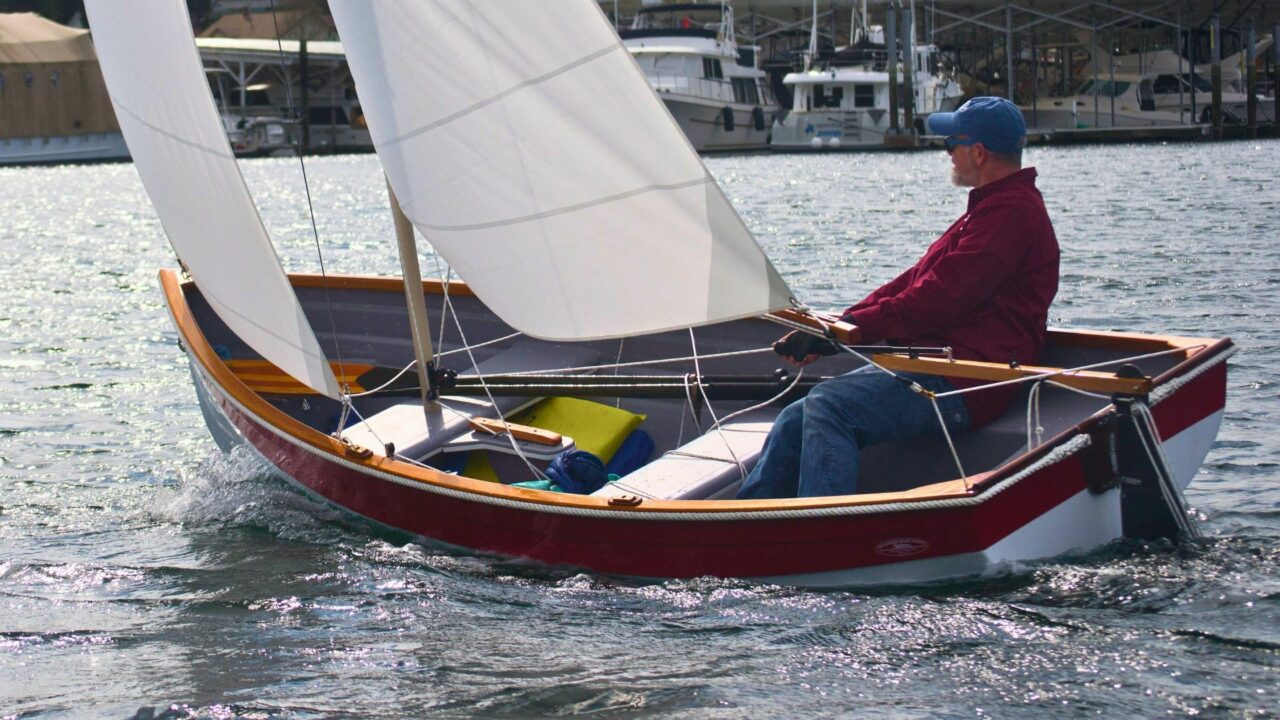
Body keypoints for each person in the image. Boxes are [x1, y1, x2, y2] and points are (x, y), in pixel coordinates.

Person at [738, 96, 1059, 499]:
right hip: (938, 365)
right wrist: (837, 326)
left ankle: (822, 530)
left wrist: (848, 332)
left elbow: (935, 300)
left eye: (950, 144)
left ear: (978, 153)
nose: (947, 154)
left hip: (967, 380)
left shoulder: (1010, 215)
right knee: (795, 418)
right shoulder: (993, 209)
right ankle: (748, 524)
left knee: (829, 407)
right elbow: (914, 281)